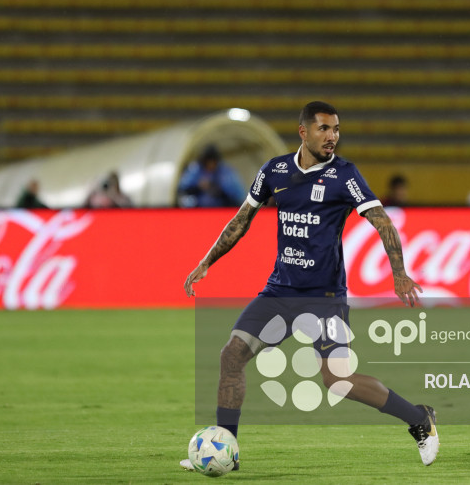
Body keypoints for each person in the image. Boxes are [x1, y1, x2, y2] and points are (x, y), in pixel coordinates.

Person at [180, 101, 439, 472]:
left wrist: (398, 272)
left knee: (338, 380)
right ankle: (225, 448)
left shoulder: (344, 175)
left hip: (324, 299)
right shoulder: (275, 170)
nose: (332, 136)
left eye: (336, 129)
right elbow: (242, 219)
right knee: (231, 355)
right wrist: (207, 261)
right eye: (324, 129)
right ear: (303, 132)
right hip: (280, 292)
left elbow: (383, 222)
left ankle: (419, 418)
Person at [177, 144, 246, 208]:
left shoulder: (225, 171)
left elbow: (236, 195)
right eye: (208, 162)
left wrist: (216, 189)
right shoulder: (195, 169)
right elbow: (183, 189)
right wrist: (199, 187)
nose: (211, 165)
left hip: (221, 209)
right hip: (198, 210)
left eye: (213, 162)